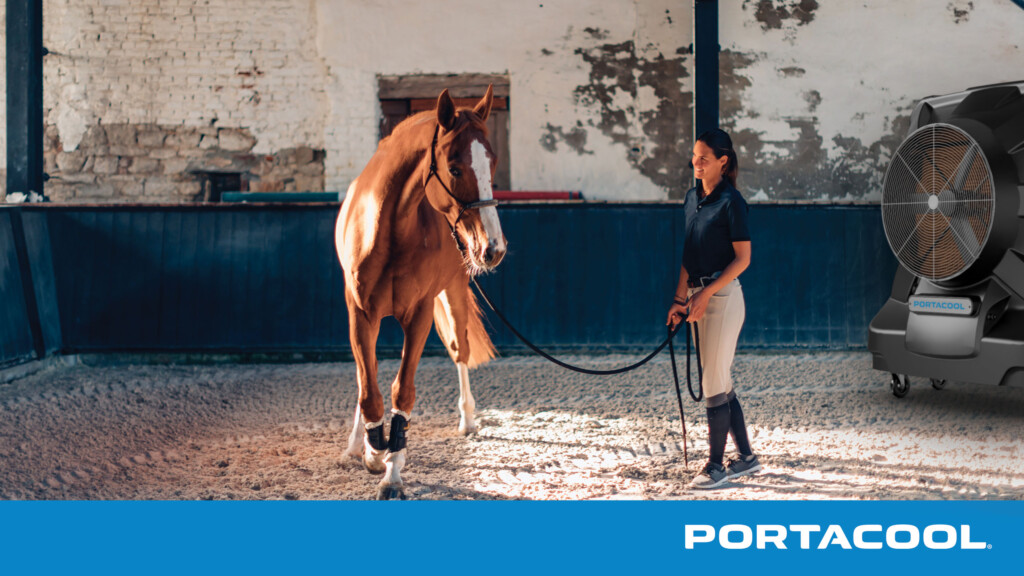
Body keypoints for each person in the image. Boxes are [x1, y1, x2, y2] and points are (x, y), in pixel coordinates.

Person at [666, 129, 760, 490]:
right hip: (695, 297)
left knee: (712, 383)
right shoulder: (692, 198)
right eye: (694, 156)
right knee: (720, 380)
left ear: (723, 161)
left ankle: (716, 466)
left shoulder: (732, 202)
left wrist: (705, 295)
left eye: (704, 157)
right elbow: (688, 256)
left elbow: (743, 259)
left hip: (722, 298)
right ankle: (747, 459)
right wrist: (679, 300)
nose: (697, 163)